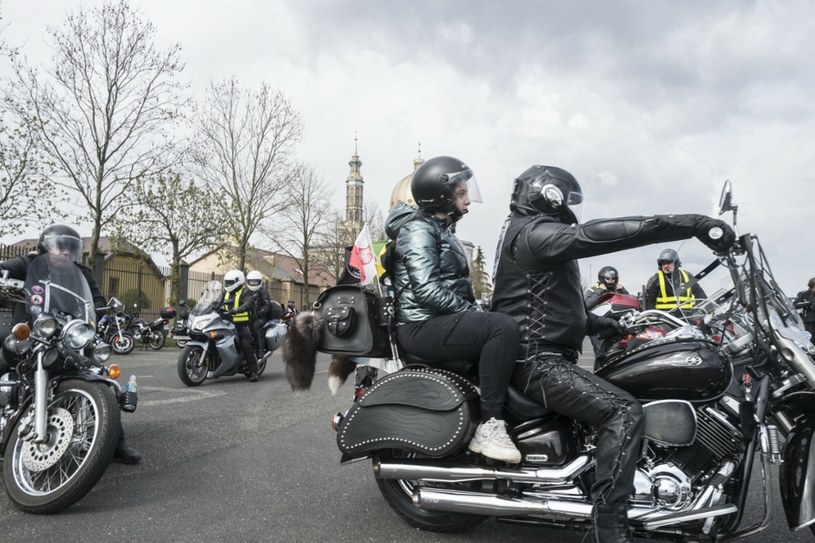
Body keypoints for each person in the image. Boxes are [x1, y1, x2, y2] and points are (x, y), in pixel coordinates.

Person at [490, 165, 734, 542]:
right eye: (568, 201)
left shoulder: (531, 236)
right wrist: (694, 224)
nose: (572, 209)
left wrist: (611, 325)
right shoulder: (536, 233)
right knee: (623, 411)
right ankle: (608, 525)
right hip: (536, 362)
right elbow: (604, 233)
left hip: (545, 355)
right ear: (549, 195)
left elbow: (549, 309)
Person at [390, 155, 522, 463]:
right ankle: (489, 427)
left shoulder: (441, 229)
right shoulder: (418, 230)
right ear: (441, 197)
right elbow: (426, 289)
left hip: (439, 319)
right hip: (420, 326)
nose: (468, 201)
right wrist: (474, 313)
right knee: (499, 328)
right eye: (461, 194)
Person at [0, 225, 142, 464]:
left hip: (68, 336)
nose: (66, 252)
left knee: (100, 376)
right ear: (45, 246)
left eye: (71, 248)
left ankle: (115, 441)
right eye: (60, 246)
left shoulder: (82, 273)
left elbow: (97, 300)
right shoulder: (27, 263)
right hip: (31, 332)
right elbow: (4, 269)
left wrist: (101, 310)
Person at [222, 269, 260, 382]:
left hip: (243, 325)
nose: (227, 285)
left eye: (230, 282)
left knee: (246, 346)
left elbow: (249, 303)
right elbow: (217, 302)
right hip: (227, 323)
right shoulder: (225, 292)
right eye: (226, 282)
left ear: (238, 282)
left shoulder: (245, 292)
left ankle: (254, 371)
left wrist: (238, 309)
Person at [643, 248, 707, 313]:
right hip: (665, 320)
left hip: (688, 319)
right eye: (663, 263)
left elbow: (701, 296)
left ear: (676, 263)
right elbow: (648, 302)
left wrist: (698, 315)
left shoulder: (687, 277)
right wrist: (655, 318)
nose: (665, 266)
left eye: (668, 263)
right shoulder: (655, 279)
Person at [584, 266, 630, 356]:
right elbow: (586, 305)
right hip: (598, 325)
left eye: (613, 279)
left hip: (615, 325)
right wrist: (600, 290)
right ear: (602, 278)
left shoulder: (618, 289)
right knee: (601, 354)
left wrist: (623, 290)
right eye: (607, 278)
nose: (610, 281)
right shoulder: (593, 289)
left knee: (618, 352)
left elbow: (628, 302)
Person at [245, 270, 282, 358]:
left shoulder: (263, 291)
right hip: (247, 316)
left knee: (256, 326)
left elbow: (267, 305)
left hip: (260, 317)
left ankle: (260, 349)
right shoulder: (245, 291)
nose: (253, 283)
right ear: (248, 281)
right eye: (251, 281)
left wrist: (259, 313)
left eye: (255, 281)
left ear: (259, 281)